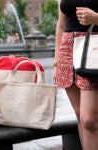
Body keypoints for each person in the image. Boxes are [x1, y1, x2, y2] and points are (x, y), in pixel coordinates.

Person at [53, 0, 98, 150]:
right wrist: (57, 61)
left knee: (89, 120)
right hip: (67, 49)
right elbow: (61, 25)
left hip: (92, 48)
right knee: (80, 115)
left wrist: (96, 18)